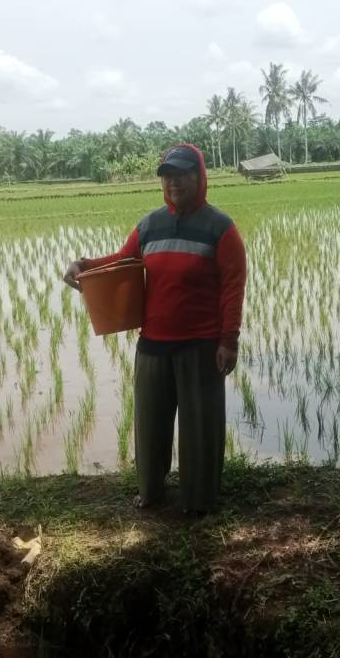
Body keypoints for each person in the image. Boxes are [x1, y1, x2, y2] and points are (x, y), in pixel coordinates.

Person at [63, 143, 247, 514]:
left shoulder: (220, 229)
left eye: (182, 173)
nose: (174, 181)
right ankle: (151, 492)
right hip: (153, 345)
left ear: (200, 175)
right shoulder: (150, 225)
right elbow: (122, 261)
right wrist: (84, 265)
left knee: (200, 430)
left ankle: (199, 501)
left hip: (201, 346)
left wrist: (229, 340)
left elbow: (233, 286)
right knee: (150, 428)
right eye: (167, 175)